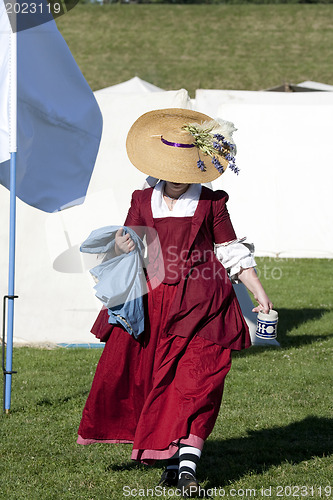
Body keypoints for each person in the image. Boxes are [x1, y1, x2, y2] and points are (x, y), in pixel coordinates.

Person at [77, 108, 272, 497]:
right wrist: (122, 242)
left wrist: (259, 292)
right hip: (153, 304)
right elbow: (125, 240)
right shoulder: (141, 198)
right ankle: (170, 460)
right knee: (154, 381)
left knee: (200, 381)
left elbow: (230, 250)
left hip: (203, 304)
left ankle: (187, 469)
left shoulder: (212, 202)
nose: (179, 180)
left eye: (187, 172)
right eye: (174, 171)